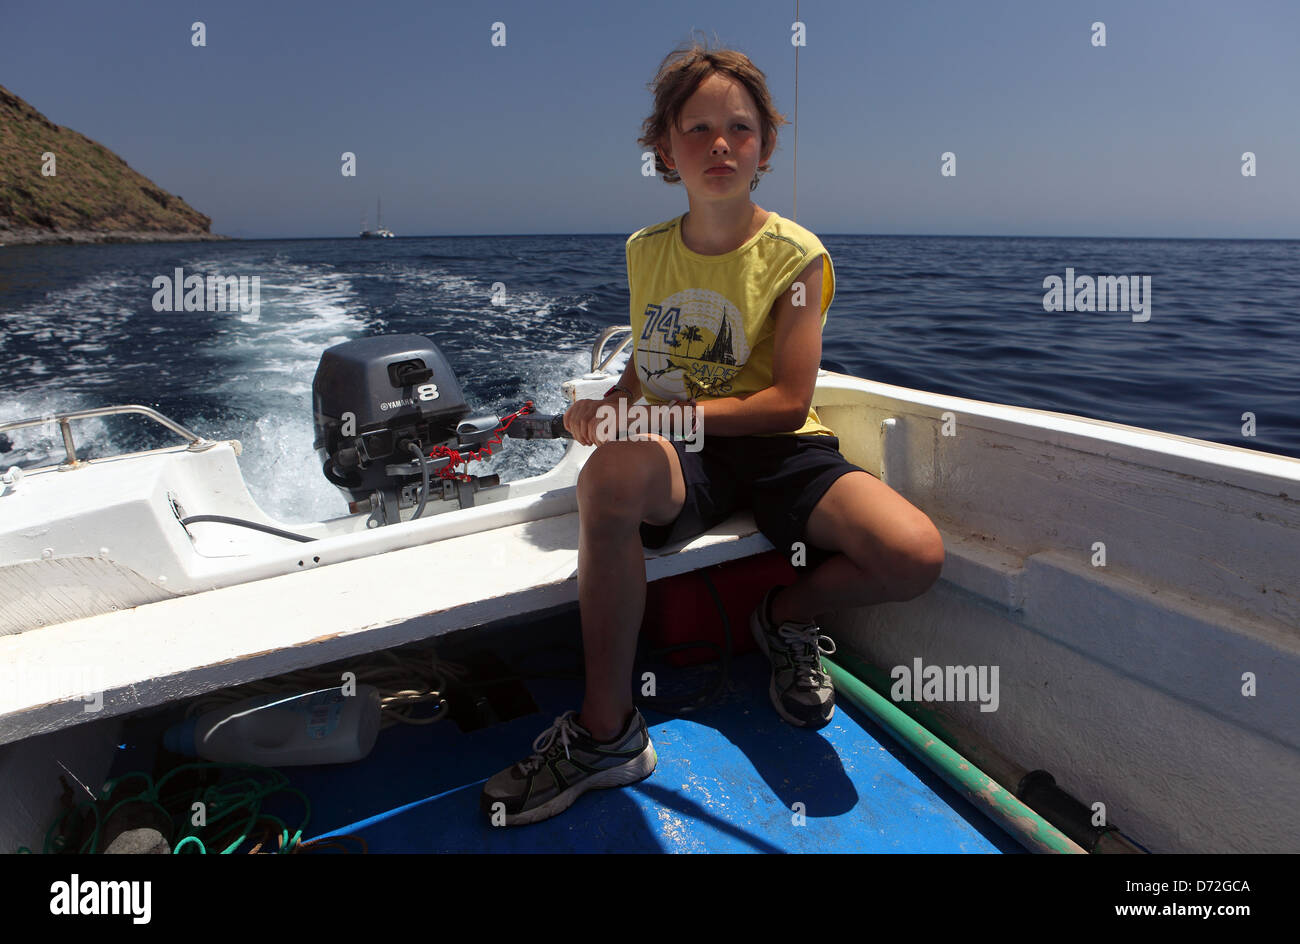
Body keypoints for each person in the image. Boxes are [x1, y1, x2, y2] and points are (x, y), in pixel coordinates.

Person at [481, 40, 945, 827]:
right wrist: (610, 404)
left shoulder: (796, 256)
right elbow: (648, 370)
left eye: (739, 128)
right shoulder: (645, 251)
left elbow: (785, 399)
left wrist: (655, 415)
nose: (719, 144)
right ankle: (606, 732)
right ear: (665, 148)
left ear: (765, 147)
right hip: (686, 455)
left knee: (915, 554)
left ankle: (786, 615)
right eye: (697, 129)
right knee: (608, 477)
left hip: (779, 446)